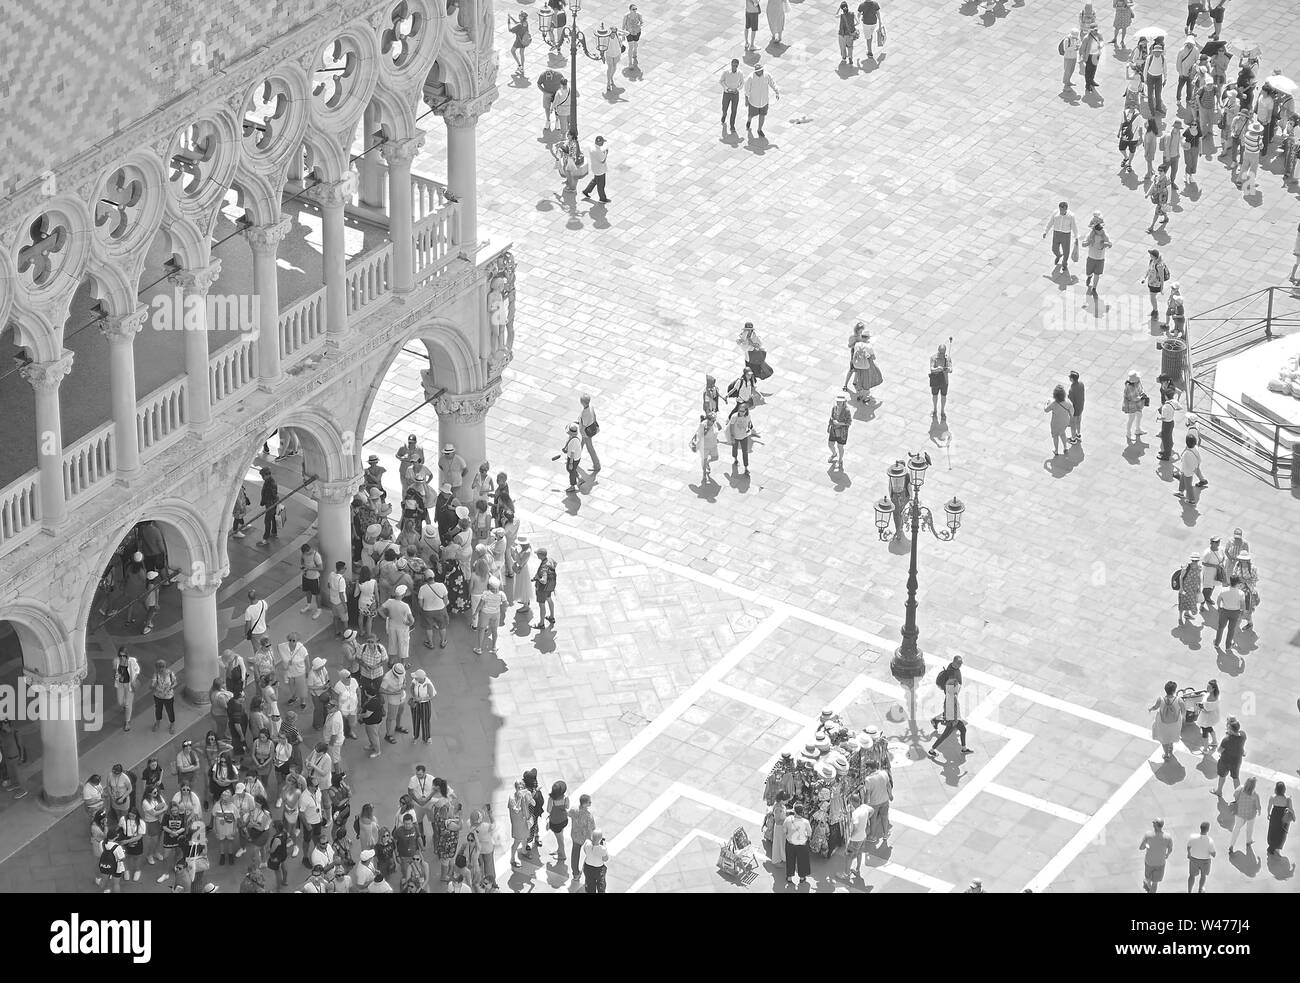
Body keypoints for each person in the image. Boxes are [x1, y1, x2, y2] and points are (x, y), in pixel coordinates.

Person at [1149, 680, 1185, 762]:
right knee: (1171, 734)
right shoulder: (1179, 700)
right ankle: (1171, 746)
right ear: (1174, 690)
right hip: (1175, 723)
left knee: (1164, 738)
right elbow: (1183, 711)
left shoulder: (1160, 699)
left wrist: (1151, 709)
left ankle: (1166, 754)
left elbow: (1155, 707)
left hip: (1162, 723)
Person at [744, 62, 779, 138]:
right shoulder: (750, 78)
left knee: (762, 115)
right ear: (756, 71)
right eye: (760, 70)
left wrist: (776, 91)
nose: (762, 71)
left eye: (762, 69)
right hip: (754, 101)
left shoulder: (767, 75)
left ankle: (759, 130)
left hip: (764, 101)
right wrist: (746, 100)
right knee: (751, 114)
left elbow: (772, 83)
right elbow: (746, 89)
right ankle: (749, 120)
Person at [1228, 776, 1262, 853]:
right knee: (1249, 828)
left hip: (1240, 812)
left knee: (1237, 828)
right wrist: (1259, 811)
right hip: (1251, 815)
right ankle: (1248, 841)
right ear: (1254, 786)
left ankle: (1231, 845)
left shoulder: (1240, 788)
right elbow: (1258, 806)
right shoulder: (1255, 795)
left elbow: (1234, 795)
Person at [1139, 818, 1174, 893]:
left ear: (1155, 825)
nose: (1153, 824)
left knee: (1148, 878)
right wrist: (1167, 855)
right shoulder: (1167, 837)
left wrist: (1146, 845)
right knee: (1155, 883)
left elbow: (1141, 848)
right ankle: (1148, 885)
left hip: (1149, 862)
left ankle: (1147, 882)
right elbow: (1170, 849)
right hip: (1160, 863)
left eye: (1154, 823)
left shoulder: (1148, 835)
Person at [1214, 717, 1246, 796]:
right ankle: (1239, 796)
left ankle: (1219, 791)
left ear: (1231, 730)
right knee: (1235, 778)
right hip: (1236, 761)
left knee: (1222, 776)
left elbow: (1219, 750)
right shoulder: (1243, 735)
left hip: (1225, 761)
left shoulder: (1226, 740)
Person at [783, 803, 813, 886]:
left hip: (790, 844)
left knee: (790, 860)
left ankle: (789, 877)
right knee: (802, 861)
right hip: (802, 845)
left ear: (794, 811)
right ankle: (802, 878)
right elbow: (810, 833)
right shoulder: (806, 822)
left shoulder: (788, 819)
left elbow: (784, 831)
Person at [1214, 574, 1245, 654]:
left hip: (1224, 611)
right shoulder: (1241, 593)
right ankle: (1228, 646)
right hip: (1235, 613)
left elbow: (1218, 600)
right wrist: (1241, 612)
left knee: (1220, 628)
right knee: (1231, 630)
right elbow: (1242, 605)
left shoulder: (1223, 590)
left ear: (1230, 581)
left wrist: (1219, 608)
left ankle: (1217, 643)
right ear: (1237, 583)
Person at [1082, 213, 1111, 295]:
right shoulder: (1090, 235)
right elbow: (1083, 244)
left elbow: (1110, 244)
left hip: (1100, 259)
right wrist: (1088, 242)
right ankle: (1089, 276)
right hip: (1091, 257)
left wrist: (1107, 244)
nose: (1100, 231)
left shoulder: (1105, 236)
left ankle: (1094, 287)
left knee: (1097, 274)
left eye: (1101, 229)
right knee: (1088, 272)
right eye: (1098, 229)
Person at [1044, 384, 1074, 457]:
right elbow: (1072, 412)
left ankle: (1056, 450)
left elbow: (1046, 410)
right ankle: (1065, 447)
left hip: (1055, 422)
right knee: (1062, 433)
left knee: (1055, 436)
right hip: (1065, 421)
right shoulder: (1068, 402)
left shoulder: (1053, 403)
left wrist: (1046, 403)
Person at [1186, 821, 1215, 893]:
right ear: (1208, 829)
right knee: (1203, 875)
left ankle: (1189, 891)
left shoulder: (1192, 837)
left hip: (1194, 859)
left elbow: (1189, 846)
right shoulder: (1210, 841)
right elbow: (1213, 854)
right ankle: (1200, 889)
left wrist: (1189, 854)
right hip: (1205, 861)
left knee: (1192, 876)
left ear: (1200, 828)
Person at [1266, 782, 1294, 856]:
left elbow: (1269, 807)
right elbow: (1291, 809)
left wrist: (1268, 814)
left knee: (1273, 831)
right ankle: (1277, 850)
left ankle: (1271, 846)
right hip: (1283, 816)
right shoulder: (1288, 799)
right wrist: (1293, 816)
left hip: (1274, 815)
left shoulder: (1272, 797)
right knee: (1281, 833)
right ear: (1284, 789)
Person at [582, 135, 610, 203]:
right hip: (600, 170)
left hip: (595, 168)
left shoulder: (592, 147)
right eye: (602, 142)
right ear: (600, 143)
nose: (603, 143)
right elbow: (602, 160)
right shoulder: (599, 151)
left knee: (595, 180)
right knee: (601, 184)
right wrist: (606, 152)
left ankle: (586, 191)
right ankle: (602, 199)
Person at [1122, 370, 1147, 443]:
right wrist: (1141, 397)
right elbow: (1133, 398)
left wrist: (1142, 393)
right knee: (1131, 418)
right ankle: (1128, 433)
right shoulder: (1129, 387)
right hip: (1131, 405)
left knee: (1139, 415)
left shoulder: (1137, 382)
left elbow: (1141, 389)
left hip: (1137, 403)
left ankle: (1138, 429)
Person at [1195, 678, 1220, 752]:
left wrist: (1199, 706)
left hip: (1205, 718)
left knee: (1204, 732)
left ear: (1213, 689)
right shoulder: (1217, 695)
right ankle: (1214, 742)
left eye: (1209, 687)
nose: (1207, 688)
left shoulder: (1208, 698)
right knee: (1209, 728)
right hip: (1212, 716)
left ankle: (1205, 749)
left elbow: (1206, 710)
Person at [720, 59, 743, 132]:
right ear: (731, 65)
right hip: (727, 93)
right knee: (724, 107)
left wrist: (738, 89)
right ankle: (724, 115)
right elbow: (721, 81)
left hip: (735, 94)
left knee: (734, 110)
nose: (734, 67)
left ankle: (732, 125)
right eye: (733, 65)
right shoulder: (726, 72)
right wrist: (726, 88)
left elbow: (742, 83)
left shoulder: (740, 73)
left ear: (737, 66)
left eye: (736, 66)